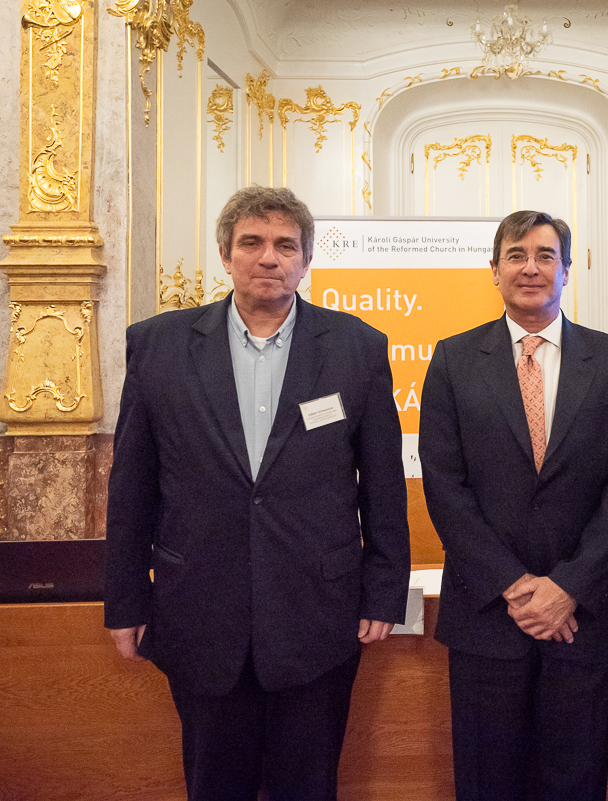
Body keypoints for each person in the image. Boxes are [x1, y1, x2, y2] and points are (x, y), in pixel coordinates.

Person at [104, 186, 410, 801]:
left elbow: (382, 484)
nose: (269, 257)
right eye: (252, 243)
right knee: (215, 783)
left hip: (317, 615)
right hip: (199, 610)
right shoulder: (158, 345)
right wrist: (125, 600)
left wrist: (385, 591)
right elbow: (132, 485)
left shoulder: (357, 346)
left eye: (285, 245)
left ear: (306, 259)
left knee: (309, 784)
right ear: (225, 254)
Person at [418, 210, 608, 801]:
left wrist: (567, 587)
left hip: (582, 619)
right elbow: (444, 487)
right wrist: (517, 587)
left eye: (546, 256)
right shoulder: (452, 360)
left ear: (567, 270)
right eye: (516, 255)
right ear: (494, 270)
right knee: (487, 783)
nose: (530, 268)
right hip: (486, 617)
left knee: (576, 782)